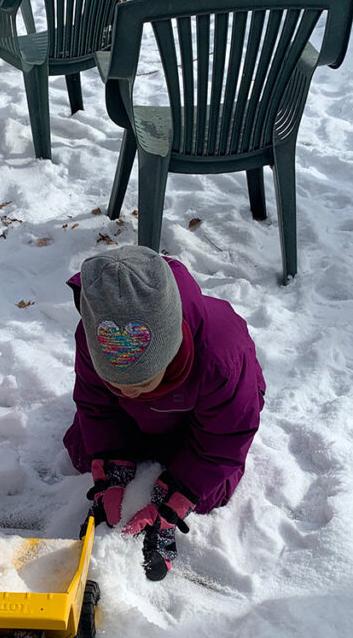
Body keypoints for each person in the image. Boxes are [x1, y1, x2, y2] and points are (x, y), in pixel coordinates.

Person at [64, 246, 265, 580]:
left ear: (170, 353)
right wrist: (110, 465)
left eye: (141, 382)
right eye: (115, 382)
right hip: (141, 415)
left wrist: (178, 497)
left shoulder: (220, 354)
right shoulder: (93, 337)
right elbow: (95, 404)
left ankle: (172, 487)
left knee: (211, 486)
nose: (128, 391)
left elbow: (226, 436)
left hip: (201, 416)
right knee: (83, 448)